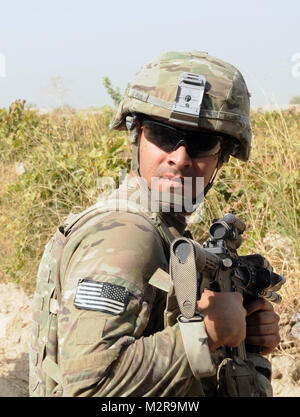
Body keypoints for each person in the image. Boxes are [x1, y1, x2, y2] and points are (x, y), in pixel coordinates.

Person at [29, 50, 280, 397]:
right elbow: (89, 386)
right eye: (163, 135)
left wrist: (246, 337)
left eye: (201, 142)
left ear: (221, 156)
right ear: (137, 135)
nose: (179, 158)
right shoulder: (125, 236)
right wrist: (207, 333)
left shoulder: (161, 226)